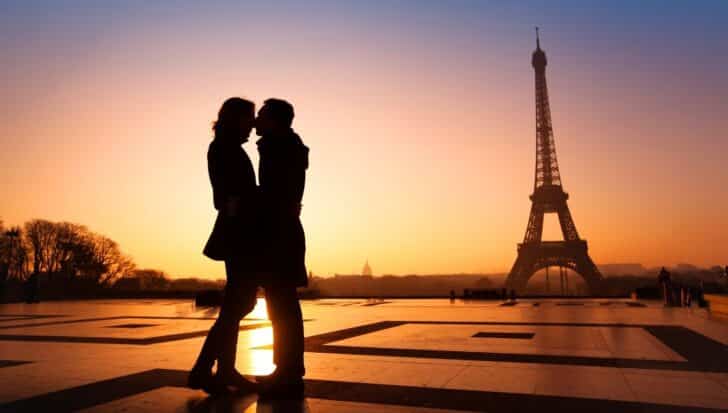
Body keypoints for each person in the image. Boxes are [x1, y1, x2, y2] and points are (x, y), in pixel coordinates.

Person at [189, 97, 260, 395]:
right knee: (239, 303)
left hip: (238, 231)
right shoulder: (225, 149)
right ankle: (208, 369)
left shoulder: (225, 147)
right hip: (239, 233)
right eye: (250, 118)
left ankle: (216, 370)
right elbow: (227, 195)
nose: (253, 124)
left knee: (238, 303)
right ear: (237, 119)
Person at [254, 98, 309, 399]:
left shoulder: (279, 148)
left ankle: (288, 372)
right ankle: (286, 370)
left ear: (274, 120)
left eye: (261, 115)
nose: (256, 121)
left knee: (282, 305)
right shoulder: (284, 145)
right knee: (281, 305)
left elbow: (274, 195)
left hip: (279, 233)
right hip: (282, 231)